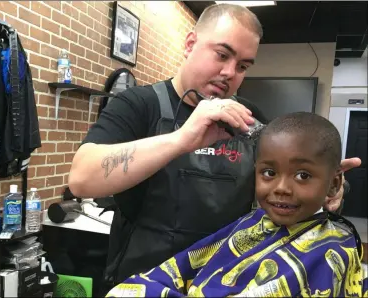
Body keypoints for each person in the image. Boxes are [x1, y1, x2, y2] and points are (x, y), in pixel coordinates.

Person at [68, 3, 361, 291]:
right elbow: (82, 179)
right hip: (145, 281)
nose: (230, 72)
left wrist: (326, 187)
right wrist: (181, 140)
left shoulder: (249, 119)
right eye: (222, 55)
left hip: (221, 283)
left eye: (243, 66)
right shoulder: (138, 105)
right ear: (190, 44)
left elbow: (282, 181)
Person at [106, 112, 368, 298]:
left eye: (303, 175)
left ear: (334, 185)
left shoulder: (328, 252)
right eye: (268, 173)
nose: (281, 188)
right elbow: (179, 268)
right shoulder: (254, 222)